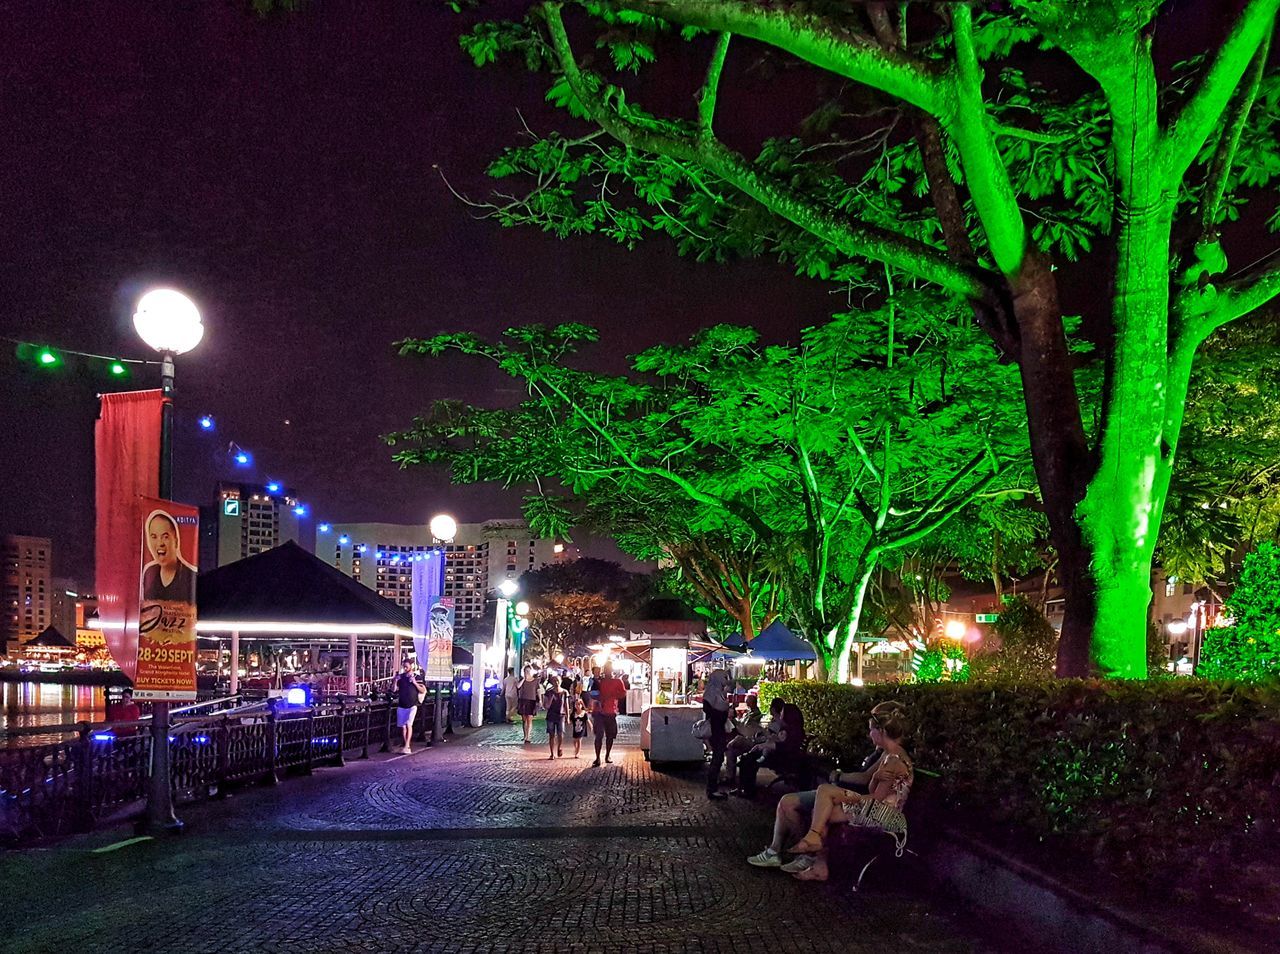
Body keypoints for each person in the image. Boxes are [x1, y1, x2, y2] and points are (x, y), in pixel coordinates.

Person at [748, 701, 912, 881]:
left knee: (825, 797)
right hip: (874, 807)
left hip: (881, 813)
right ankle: (817, 860)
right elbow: (870, 783)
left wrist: (845, 796)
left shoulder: (894, 761)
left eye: (871, 729)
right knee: (824, 802)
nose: (868, 734)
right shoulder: (888, 755)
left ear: (881, 731)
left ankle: (813, 846)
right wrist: (866, 781)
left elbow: (877, 798)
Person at [733, 701, 805, 798]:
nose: (781, 714)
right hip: (785, 756)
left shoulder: (789, 730)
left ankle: (747, 790)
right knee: (749, 757)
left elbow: (784, 746)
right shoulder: (795, 729)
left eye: (783, 712)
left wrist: (763, 745)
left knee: (748, 759)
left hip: (782, 758)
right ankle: (746, 788)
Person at [140, 510, 196, 603]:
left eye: (165, 537)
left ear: (176, 541)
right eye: (154, 537)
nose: (160, 543)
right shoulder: (149, 573)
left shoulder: (191, 578)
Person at [701, 667, 732, 800]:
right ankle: (711, 789)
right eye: (724, 677)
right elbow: (709, 709)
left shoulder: (718, 691)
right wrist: (722, 712)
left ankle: (713, 787)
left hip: (719, 729)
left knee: (718, 759)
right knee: (717, 758)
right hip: (716, 730)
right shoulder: (712, 692)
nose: (726, 680)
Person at [722, 694, 765, 788]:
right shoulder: (750, 713)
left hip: (751, 741)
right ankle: (730, 776)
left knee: (730, 745)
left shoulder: (755, 715)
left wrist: (733, 720)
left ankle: (730, 776)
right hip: (748, 739)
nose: (746, 702)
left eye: (747, 701)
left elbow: (746, 730)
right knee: (730, 750)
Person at [591, 662, 626, 766]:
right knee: (599, 735)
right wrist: (599, 699)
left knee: (610, 736)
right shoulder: (598, 681)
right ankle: (597, 757)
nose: (607, 671)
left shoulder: (618, 681)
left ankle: (607, 755)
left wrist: (613, 695)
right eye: (606, 668)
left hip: (611, 711)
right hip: (599, 711)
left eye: (609, 669)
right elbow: (592, 694)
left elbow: (623, 694)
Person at [394, 660, 425, 754]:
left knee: (408, 724)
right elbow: (394, 690)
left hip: (412, 704)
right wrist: (395, 681)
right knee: (403, 726)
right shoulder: (401, 677)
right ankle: (405, 744)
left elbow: (423, 690)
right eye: (404, 666)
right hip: (402, 704)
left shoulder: (417, 677)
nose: (405, 668)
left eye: (406, 666)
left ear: (411, 666)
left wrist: (414, 683)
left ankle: (407, 745)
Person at [516, 666, 540, 743]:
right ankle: (525, 735)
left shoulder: (535, 681)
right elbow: (518, 686)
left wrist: (540, 700)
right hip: (523, 700)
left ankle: (528, 736)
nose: (528, 672)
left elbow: (538, 690)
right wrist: (524, 679)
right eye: (526, 671)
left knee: (529, 719)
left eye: (529, 671)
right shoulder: (522, 680)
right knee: (524, 719)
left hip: (531, 700)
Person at [544, 679, 565, 759]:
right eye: (554, 681)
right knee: (551, 734)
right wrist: (550, 699)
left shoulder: (564, 692)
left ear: (560, 681)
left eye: (558, 681)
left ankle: (559, 747)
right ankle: (552, 753)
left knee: (560, 733)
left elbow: (565, 704)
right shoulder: (549, 692)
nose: (556, 683)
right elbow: (546, 706)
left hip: (561, 715)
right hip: (551, 715)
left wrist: (568, 716)